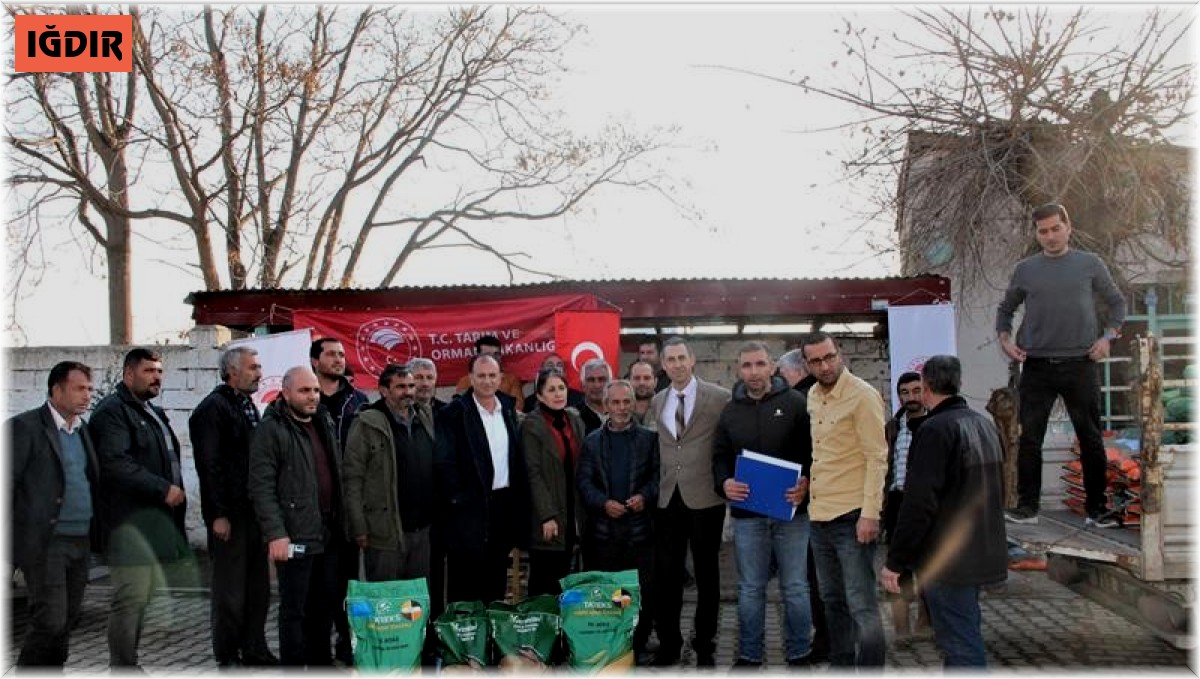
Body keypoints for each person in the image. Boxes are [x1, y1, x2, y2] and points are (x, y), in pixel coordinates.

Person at [996, 203, 1127, 528]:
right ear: (1037, 234)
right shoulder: (1026, 269)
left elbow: (1117, 303)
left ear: (1068, 228)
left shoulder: (1089, 263)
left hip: (1080, 364)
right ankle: (1028, 508)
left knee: (1090, 438)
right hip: (1037, 366)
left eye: (1056, 228)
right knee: (1030, 439)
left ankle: (1097, 510)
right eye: (1043, 231)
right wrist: (1006, 341)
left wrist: (1107, 338)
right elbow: (1006, 309)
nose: (1051, 236)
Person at [880, 355, 1007, 667]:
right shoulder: (983, 424)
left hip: (949, 558)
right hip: (981, 549)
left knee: (961, 646)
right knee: (962, 636)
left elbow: (919, 502)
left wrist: (895, 562)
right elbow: (999, 490)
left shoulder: (934, 430)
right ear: (958, 382)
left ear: (926, 387)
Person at [713, 341, 815, 668]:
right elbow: (719, 456)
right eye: (747, 365)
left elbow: (814, 451)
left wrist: (807, 483)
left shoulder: (797, 403)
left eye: (760, 364)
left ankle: (800, 654)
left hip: (792, 513)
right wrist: (724, 482)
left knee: (795, 587)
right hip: (748, 516)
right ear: (738, 370)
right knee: (749, 589)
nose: (754, 371)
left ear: (772, 366)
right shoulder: (729, 411)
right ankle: (749, 655)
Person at [90, 348, 191, 669]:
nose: (156, 377)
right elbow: (115, 463)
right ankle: (122, 667)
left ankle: (127, 663)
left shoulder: (151, 411)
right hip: (127, 525)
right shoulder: (113, 412)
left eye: (159, 371)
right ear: (128, 374)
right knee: (130, 596)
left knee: (141, 596)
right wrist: (163, 488)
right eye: (149, 371)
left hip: (152, 524)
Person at [801, 332, 888, 668]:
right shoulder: (812, 395)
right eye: (816, 361)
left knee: (861, 603)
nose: (825, 366)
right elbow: (823, 455)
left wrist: (871, 514)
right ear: (807, 365)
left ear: (839, 354)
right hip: (819, 516)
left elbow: (877, 458)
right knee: (831, 600)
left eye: (829, 357)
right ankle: (841, 665)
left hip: (853, 517)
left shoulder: (862, 395)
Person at [249, 366, 344, 667]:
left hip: (326, 531)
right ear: (286, 393)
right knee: (294, 611)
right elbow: (261, 486)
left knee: (323, 606)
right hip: (294, 534)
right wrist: (276, 534)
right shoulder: (271, 430)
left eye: (315, 390)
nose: (312, 396)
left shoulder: (323, 420)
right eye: (304, 391)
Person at [8, 361, 101, 667]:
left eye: (89, 389)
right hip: (46, 541)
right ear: (56, 390)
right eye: (79, 389)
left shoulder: (82, 430)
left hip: (81, 540)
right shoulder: (24, 428)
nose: (87, 395)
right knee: (50, 619)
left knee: (67, 620)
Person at [189, 346, 277, 667]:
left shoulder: (246, 405)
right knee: (230, 591)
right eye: (253, 367)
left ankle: (254, 648)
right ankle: (227, 656)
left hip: (253, 513)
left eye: (259, 367)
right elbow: (209, 466)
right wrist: (218, 514)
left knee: (257, 588)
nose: (259, 373)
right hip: (231, 515)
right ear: (232, 372)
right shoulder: (213, 409)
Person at [647, 336, 731, 667]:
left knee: (707, 572)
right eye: (671, 359)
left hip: (706, 497)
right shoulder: (658, 401)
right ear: (663, 365)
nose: (678, 364)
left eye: (682, 357)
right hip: (668, 499)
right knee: (667, 575)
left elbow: (728, 442)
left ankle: (705, 640)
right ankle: (669, 641)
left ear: (692, 360)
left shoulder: (719, 397)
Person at [435, 353, 532, 604]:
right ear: (471, 378)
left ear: (500, 378)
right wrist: (459, 499)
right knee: (466, 582)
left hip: (502, 506)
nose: (487, 381)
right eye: (481, 376)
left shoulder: (508, 409)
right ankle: (467, 629)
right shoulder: (453, 413)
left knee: (496, 578)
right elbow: (445, 463)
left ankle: (492, 626)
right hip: (468, 509)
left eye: (492, 375)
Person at [577, 379, 660, 664]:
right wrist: (603, 503)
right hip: (605, 533)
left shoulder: (649, 439)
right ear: (605, 405)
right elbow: (584, 481)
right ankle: (613, 649)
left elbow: (657, 478)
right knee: (612, 593)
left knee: (641, 592)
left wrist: (644, 497)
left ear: (634, 403)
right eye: (615, 402)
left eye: (627, 402)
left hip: (639, 531)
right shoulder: (592, 441)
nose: (622, 408)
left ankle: (638, 644)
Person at [343, 364, 436, 582]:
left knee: (416, 598)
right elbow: (352, 478)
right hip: (384, 533)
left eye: (411, 386)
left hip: (422, 530)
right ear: (384, 390)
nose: (408, 392)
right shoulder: (366, 424)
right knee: (387, 598)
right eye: (401, 387)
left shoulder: (424, 416)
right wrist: (359, 526)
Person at [309, 337, 367, 664]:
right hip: (313, 507)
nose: (338, 359)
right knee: (318, 585)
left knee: (348, 582)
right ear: (314, 361)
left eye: (342, 354)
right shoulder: (303, 398)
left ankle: (347, 642)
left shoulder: (358, 401)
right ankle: (316, 651)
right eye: (331, 354)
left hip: (348, 506)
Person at [777, 347, 829, 663]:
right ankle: (831, 639)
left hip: (808, 502)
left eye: (781, 374)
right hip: (823, 499)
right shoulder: (820, 394)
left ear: (795, 371)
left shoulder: (800, 400)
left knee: (814, 577)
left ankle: (825, 641)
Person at [521, 368, 587, 595]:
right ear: (539, 395)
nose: (558, 394)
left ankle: (562, 618)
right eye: (551, 390)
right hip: (547, 515)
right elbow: (533, 473)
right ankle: (541, 618)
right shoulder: (532, 425)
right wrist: (546, 515)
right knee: (544, 579)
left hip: (572, 511)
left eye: (561, 388)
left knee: (565, 577)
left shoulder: (574, 419)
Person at [882, 371, 932, 641]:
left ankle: (926, 621)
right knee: (897, 566)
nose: (911, 397)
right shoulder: (892, 427)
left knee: (927, 566)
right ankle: (902, 628)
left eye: (916, 391)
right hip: (897, 503)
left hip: (925, 504)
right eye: (904, 392)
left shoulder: (935, 424)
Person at [453, 335, 525, 402]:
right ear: (478, 356)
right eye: (488, 354)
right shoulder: (466, 381)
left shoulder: (511, 380)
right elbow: (461, 406)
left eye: (496, 354)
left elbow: (517, 406)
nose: (493, 358)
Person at [578, 357, 611, 434]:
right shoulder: (574, 417)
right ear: (582, 386)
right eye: (591, 380)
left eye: (601, 379)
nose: (597, 385)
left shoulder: (622, 412)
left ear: (610, 384)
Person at [627, 360, 658, 425]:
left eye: (647, 378)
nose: (642, 383)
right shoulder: (616, 410)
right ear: (628, 381)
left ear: (655, 382)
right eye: (637, 378)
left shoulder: (667, 408)